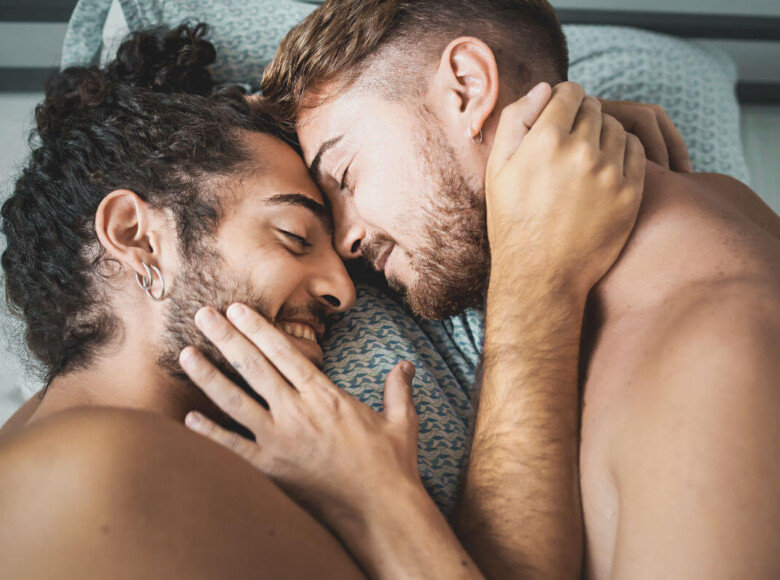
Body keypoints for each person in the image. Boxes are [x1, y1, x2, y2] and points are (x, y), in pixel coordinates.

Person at [0, 24, 667, 579]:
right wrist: (378, 505)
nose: (345, 289)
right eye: (294, 237)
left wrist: (535, 131)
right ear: (135, 237)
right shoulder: (97, 473)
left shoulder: (67, 436)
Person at [186, 1, 780, 579]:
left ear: (468, 86)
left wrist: (377, 510)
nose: (345, 246)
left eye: (343, 176)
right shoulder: (704, 222)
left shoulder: (722, 360)